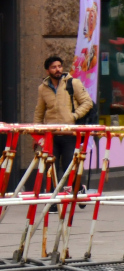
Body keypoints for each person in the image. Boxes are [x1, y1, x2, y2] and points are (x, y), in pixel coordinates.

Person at [32, 55, 93, 186]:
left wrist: (74, 116)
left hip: (70, 133)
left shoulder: (73, 83)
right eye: (54, 67)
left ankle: (77, 192)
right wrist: (36, 134)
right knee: (49, 167)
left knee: (69, 166)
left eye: (59, 66)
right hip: (51, 134)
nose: (58, 69)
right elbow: (39, 112)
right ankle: (52, 201)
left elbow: (87, 103)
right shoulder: (42, 88)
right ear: (47, 71)